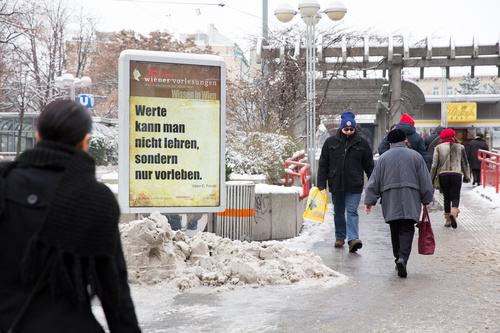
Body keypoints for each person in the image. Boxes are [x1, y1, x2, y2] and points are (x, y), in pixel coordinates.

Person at [0, 100, 141, 332]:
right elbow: (114, 292)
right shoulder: (94, 198)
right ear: (85, 141)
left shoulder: (4, 183)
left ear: (38, 135)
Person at [364, 129, 434, 278]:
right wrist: (426, 199)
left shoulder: (383, 158)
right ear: (405, 141)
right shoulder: (416, 157)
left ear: (390, 143)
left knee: (394, 229)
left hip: (390, 198)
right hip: (411, 198)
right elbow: (425, 180)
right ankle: (403, 258)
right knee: (407, 229)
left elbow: (374, 181)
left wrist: (370, 201)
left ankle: (398, 258)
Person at [317, 111, 374, 252]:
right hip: (336, 182)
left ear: (354, 129)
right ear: (341, 128)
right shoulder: (330, 143)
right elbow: (323, 164)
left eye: (351, 129)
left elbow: (369, 166)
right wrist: (321, 183)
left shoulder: (362, 143)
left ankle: (353, 239)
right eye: (346, 129)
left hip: (354, 184)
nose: (348, 132)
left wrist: (373, 184)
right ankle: (340, 237)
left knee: (352, 211)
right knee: (338, 211)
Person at [429, 128, 470, 229]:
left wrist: (431, 178)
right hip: (456, 174)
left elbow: (434, 165)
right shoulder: (460, 147)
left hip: (443, 175)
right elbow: (465, 163)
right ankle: (454, 212)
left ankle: (447, 220)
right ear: (453, 136)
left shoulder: (438, 148)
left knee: (446, 197)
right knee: (456, 196)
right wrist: (467, 176)